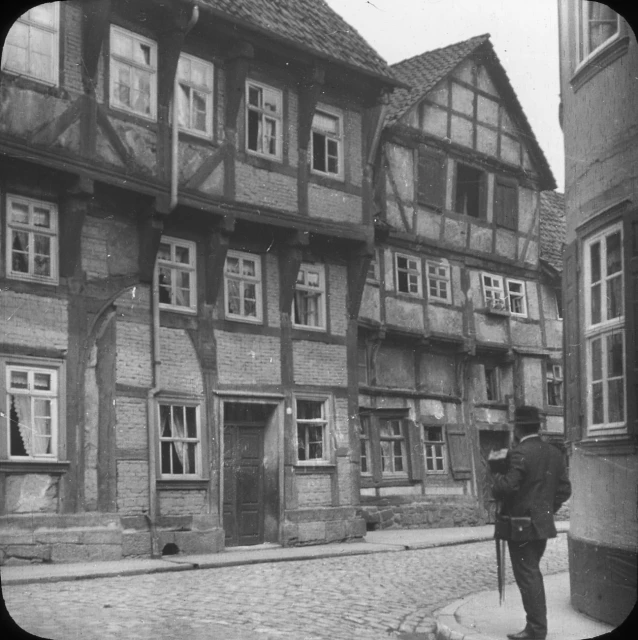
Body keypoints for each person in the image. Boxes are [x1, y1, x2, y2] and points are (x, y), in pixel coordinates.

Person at [490, 405, 571, 640]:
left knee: (528, 576)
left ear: (517, 428)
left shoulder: (519, 453)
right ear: (538, 426)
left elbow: (507, 487)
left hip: (520, 527)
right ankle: (536, 627)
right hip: (541, 525)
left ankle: (536, 630)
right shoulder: (554, 453)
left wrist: (496, 479)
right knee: (532, 572)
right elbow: (565, 489)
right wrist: (545, 511)